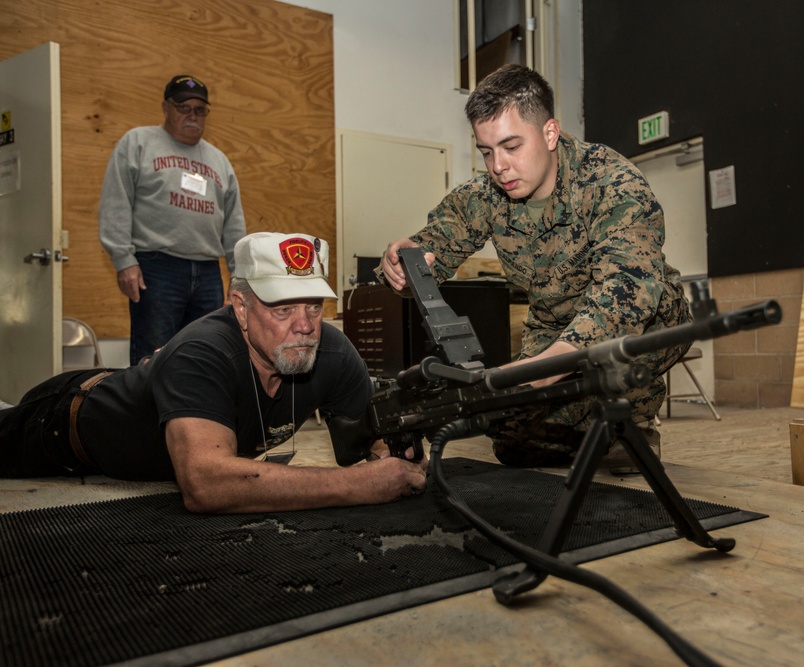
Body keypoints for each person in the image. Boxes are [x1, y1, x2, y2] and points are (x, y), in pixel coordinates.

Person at [379, 64, 691, 474]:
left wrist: (545, 371)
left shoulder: (611, 182)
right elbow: (432, 250)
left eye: (511, 146)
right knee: (513, 444)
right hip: (551, 327)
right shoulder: (485, 195)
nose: (498, 166)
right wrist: (405, 264)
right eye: (487, 151)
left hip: (641, 322)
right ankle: (589, 419)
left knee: (624, 343)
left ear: (549, 133)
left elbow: (626, 291)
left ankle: (631, 416)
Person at [0, 232, 428, 513]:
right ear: (240, 308)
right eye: (283, 309)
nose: (305, 325)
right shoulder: (202, 352)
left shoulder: (330, 351)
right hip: (61, 424)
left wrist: (390, 454)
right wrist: (355, 486)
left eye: (314, 306)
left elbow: (371, 443)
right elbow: (206, 484)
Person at [99, 74, 247, 366]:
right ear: (166, 107)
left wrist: (239, 275)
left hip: (207, 272)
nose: (193, 115)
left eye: (200, 110)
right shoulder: (138, 142)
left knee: (206, 355)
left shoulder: (219, 161)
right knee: (153, 359)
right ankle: (148, 414)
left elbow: (233, 223)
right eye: (183, 107)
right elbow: (115, 202)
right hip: (157, 268)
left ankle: (195, 412)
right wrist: (123, 260)